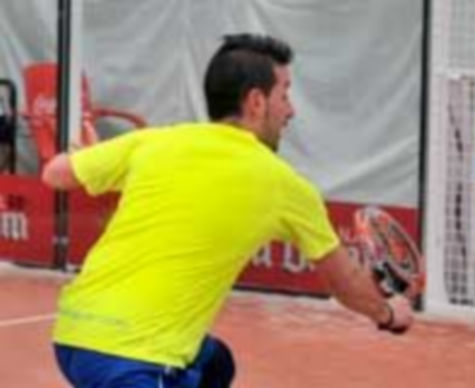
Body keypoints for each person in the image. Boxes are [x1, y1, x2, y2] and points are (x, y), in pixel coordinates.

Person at [41, 33, 413, 388]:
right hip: (136, 359)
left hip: (72, 335)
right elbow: (344, 283)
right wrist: (389, 314)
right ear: (256, 102)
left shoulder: (155, 142)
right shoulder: (285, 186)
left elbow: (55, 174)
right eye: (284, 93)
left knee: (215, 364)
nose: (291, 110)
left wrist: (90, 158)